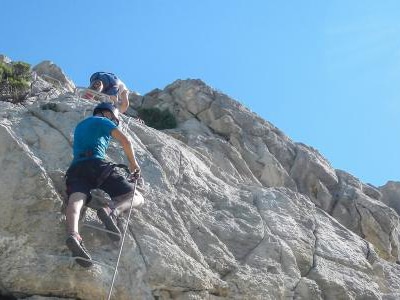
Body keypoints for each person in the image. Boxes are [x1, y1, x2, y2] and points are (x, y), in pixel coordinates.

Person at [65, 102, 142, 267]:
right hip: (96, 165)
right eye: (114, 120)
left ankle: (74, 235)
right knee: (136, 196)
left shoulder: (80, 125)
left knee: (76, 200)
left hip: (76, 169)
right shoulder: (103, 121)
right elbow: (126, 141)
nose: (114, 122)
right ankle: (111, 210)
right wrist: (133, 165)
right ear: (108, 114)